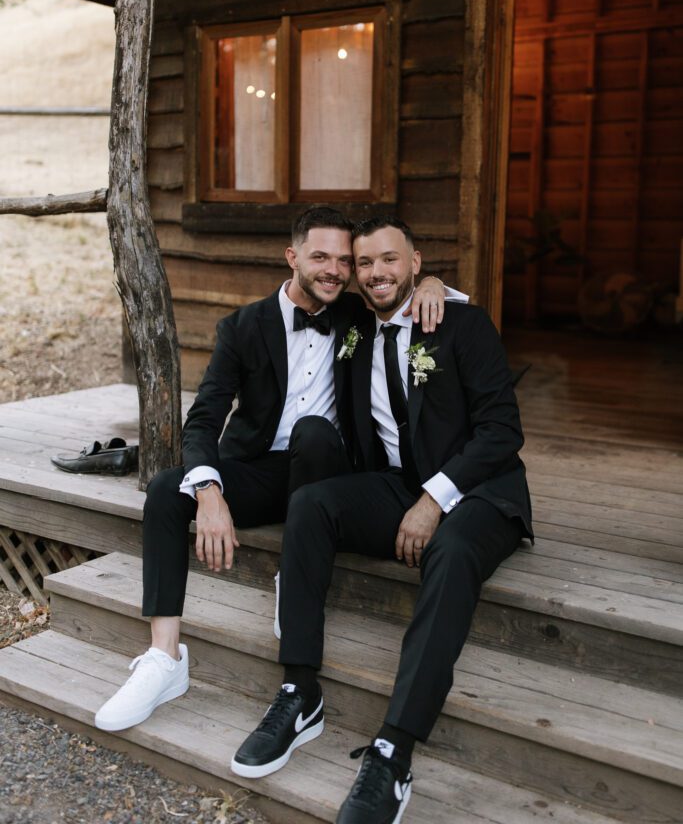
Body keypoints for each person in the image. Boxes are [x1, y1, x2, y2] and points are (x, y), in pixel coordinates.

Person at [94, 206, 449, 733]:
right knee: (170, 489)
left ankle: (295, 577)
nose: (334, 270)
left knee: (313, 429)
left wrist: (434, 282)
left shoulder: (355, 313)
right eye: (320, 256)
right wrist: (210, 492)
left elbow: (397, 285)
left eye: (343, 261)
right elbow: (204, 419)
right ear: (292, 257)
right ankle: (164, 659)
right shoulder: (243, 327)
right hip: (260, 471)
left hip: (326, 473)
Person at [231, 215, 532, 824]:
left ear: (416, 263)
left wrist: (435, 499)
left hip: (479, 494)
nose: (376, 274)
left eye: (389, 261)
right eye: (365, 264)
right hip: (398, 488)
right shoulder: (353, 330)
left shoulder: (462, 325)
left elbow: (504, 432)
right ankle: (299, 690)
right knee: (311, 503)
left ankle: (393, 750)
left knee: (450, 553)